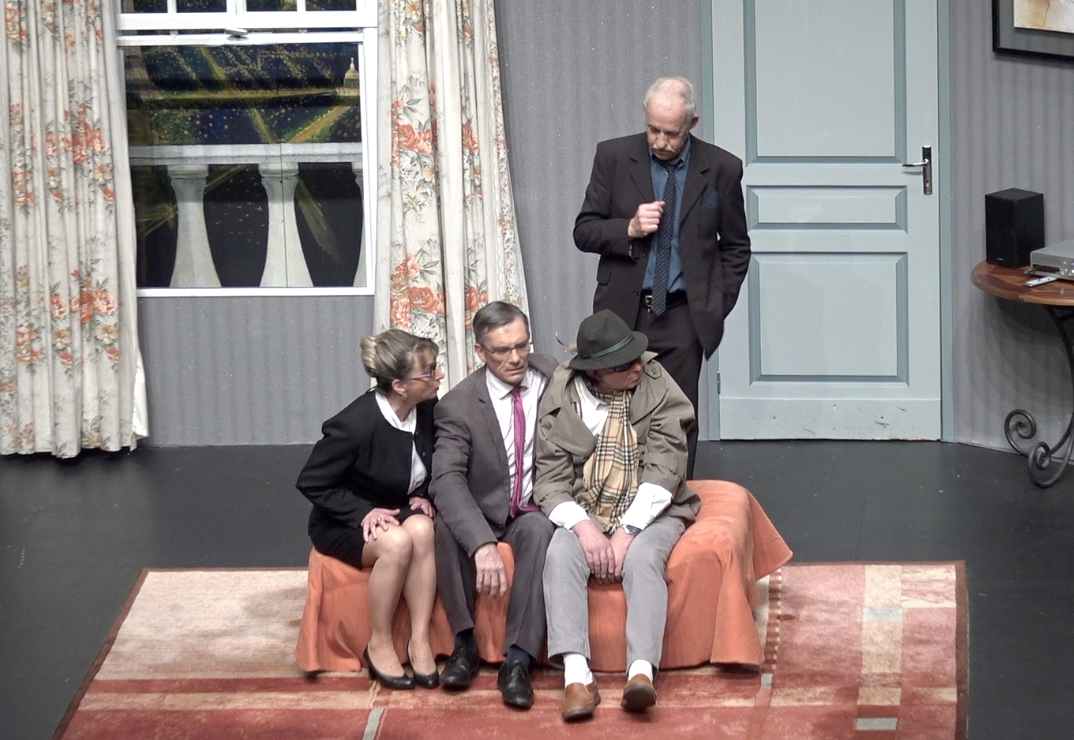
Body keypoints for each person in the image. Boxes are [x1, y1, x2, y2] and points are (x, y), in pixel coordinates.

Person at [573, 76, 751, 476]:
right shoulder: (613, 157)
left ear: (692, 123)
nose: (660, 141)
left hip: (683, 315)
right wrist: (628, 228)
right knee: (614, 416)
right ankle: (615, 498)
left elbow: (736, 246)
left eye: (671, 133)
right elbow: (584, 230)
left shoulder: (722, 168)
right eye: (653, 129)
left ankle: (673, 500)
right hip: (622, 313)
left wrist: (715, 303)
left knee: (676, 418)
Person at [533, 310, 699, 721]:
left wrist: (627, 531)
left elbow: (666, 469)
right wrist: (584, 527)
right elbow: (550, 478)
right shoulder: (563, 398)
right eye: (624, 365)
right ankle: (576, 676)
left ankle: (640, 673)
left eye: (636, 356)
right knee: (560, 555)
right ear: (595, 374)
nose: (637, 367)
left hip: (653, 505)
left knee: (643, 559)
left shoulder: (656, 383)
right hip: (586, 502)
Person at [296, 329, 444, 691]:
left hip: (394, 507)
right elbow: (312, 482)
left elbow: (428, 461)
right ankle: (379, 642)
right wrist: (362, 511)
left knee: (423, 529)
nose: (438, 375)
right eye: (429, 372)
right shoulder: (355, 423)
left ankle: (419, 640)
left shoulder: (427, 409)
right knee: (396, 543)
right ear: (400, 385)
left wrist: (424, 493)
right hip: (344, 520)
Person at [429, 302, 558, 709]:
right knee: (447, 524)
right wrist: (482, 543)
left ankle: (518, 660)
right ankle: (464, 644)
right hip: (483, 507)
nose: (516, 358)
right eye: (503, 350)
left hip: (530, 508)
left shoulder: (552, 376)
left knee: (539, 530)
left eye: (522, 345)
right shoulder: (459, 405)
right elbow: (446, 478)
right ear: (481, 352)